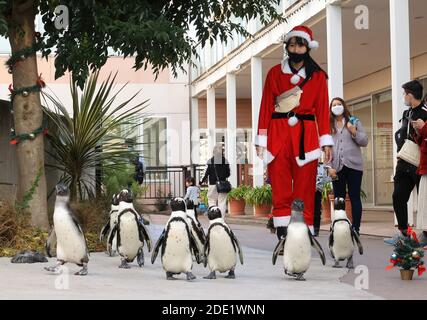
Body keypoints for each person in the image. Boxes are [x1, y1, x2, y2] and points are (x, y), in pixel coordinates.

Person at [254, 25, 333, 239]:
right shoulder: (274, 73)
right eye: (291, 44)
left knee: (305, 186)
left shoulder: (318, 77)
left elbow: (323, 112)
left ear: (308, 47)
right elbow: (265, 108)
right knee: (279, 185)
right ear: (286, 47)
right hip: (278, 133)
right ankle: (281, 229)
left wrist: (325, 141)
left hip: (305, 136)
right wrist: (261, 139)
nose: (295, 48)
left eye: (300, 44)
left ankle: (303, 230)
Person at [386, 80, 427, 245]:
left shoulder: (425, 112)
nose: (403, 96)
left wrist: (422, 128)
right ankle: (404, 233)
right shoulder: (406, 113)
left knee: (424, 199)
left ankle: (425, 233)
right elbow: (402, 134)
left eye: (404, 94)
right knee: (398, 196)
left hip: (419, 162)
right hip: (404, 162)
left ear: (410, 95)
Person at [329, 97, 369, 235]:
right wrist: (329, 167)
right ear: (330, 108)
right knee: (338, 199)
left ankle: (356, 228)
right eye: (334, 105)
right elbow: (325, 148)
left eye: (339, 104)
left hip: (354, 167)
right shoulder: (329, 125)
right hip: (336, 168)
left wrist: (353, 131)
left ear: (344, 106)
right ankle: (339, 227)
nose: (337, 107)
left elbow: (364, 141)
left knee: (354, 197)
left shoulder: (354, 121)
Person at [412, 93, 427, 248]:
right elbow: (422, 141)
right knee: (424, 202)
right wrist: (418, 131)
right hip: (424, 164)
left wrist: (424, 127)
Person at [200, 144, 231, 217]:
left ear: (213, 152)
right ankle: (221, 219)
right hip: (222, 185)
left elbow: (205, 173)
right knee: (222, 202)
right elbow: (228, 174)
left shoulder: (210, 161)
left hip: (212, 184)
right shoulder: (225, 161)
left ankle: (213, 217)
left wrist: (200, 182)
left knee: (211, 200)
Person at [313, 157, 336, 237]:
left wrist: (333, 176)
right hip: (307, 190)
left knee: (317, 210)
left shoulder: (321, 167)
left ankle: (316, 229)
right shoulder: (305, 166)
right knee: (307, 209)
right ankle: (307, 228)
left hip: (317, 191)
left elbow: (328, 178)